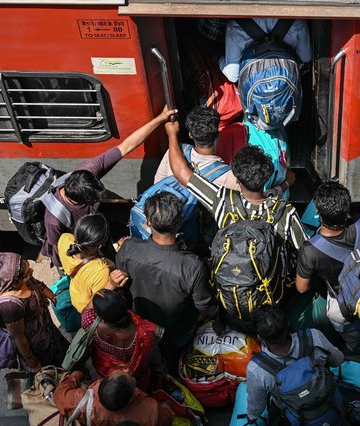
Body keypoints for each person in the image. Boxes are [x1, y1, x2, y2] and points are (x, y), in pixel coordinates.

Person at [42, 108, 177, 269]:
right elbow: (60, 251)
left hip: (96, 230)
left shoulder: (88, 171)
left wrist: (160, 119)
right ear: (79, 201)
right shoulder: (54, 220)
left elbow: (126, 146)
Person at [164, 113, 306, 252]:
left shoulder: (222, 202)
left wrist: (171, 134)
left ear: (237, 179)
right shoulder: (285, 212)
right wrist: (285, 185)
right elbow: (306, 253)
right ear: (266, 177)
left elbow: (181, 171)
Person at [116, 192, 219, 358]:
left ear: (148, 222)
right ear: (179, 224)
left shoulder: (128, 248)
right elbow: (205, 305)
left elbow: (121, 286)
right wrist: (220, 317)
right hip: (178, 333)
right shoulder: (192, 266)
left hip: (140, 326)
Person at [295, 181, 360, 356]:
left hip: (345, 300)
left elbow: (301, 288)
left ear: (317, 213)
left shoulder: (310, 250)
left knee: (338, 318)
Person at [246, 305, 345, 425]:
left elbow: (257, 405)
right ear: (287, 323)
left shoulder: (257, 369)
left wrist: (251, 417)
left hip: (297, 417)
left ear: (260, 337)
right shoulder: (314, 337)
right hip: (331, 404)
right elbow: (338, 360)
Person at [0, 252, 68, 372]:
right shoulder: (9, 306)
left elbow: (34, 282)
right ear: (13, 282)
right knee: (51, 373)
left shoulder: (18, 279)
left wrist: (49, 293)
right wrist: (31, 361)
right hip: (37, 347)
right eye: (27, 273)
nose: (32, 271)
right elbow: (19, 337)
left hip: (47, 330)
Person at [81, 289, 165, 392]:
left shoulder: (89, 322)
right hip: (137, 375)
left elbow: (85, 311)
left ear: (101, 316)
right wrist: (159, 371)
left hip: (108, 372)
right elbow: (154, 354)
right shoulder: (146, 332)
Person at [154, 106, 238, 189]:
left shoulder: (173, 152)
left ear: (190, 135)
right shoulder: (228, 176)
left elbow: (157, 184)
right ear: (218, 136)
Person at [54, 370, 175, 425]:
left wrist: (76, 375)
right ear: (131, 397)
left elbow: (59, 395)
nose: (126, 370)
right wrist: (167, 405)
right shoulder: (151, 410)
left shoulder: (83, 402)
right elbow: (168, 418)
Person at [219, 18, 312, 83]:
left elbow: (233, 75)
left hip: (255, 93)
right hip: (287, 84)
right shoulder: (297, 21)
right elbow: (306, 57)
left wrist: (219, 59)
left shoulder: (235, 27)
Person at [57, 213, 116, 312]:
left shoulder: (65, 238)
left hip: (75, 295)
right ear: (100, 246)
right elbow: (99, 302)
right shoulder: (100, 271)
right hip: (86, 307)